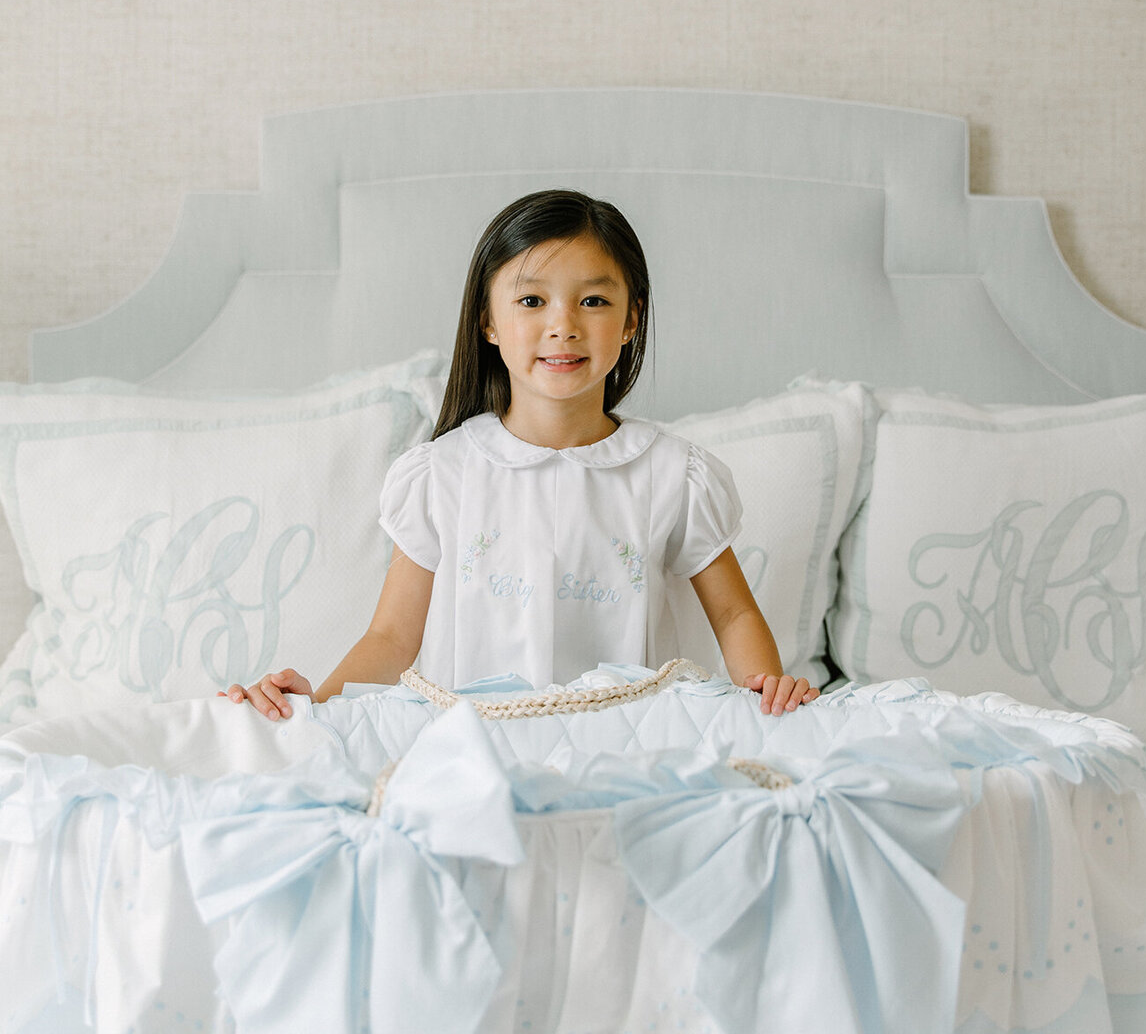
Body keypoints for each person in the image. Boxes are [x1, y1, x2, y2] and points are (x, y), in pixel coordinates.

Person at [224, 189, 819, 721]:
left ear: (632, 318)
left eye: (593, 301)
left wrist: (767, 697)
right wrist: (318, 712)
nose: (563, 326)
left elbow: (736, 617)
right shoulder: (444, 474)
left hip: (626, 749)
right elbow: (390, 639)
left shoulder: (674, 475)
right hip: (477, 751)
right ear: (489, 322)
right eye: (532, 301)